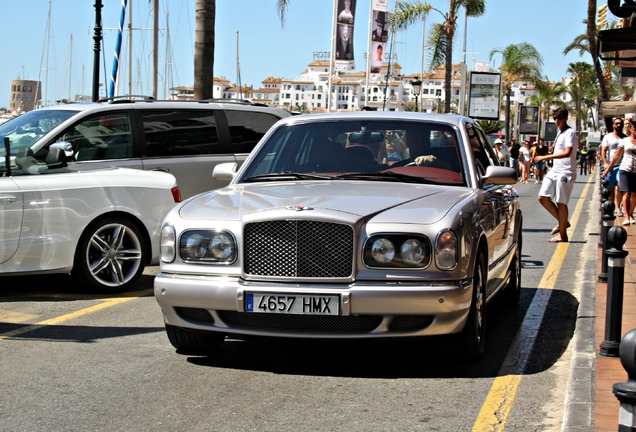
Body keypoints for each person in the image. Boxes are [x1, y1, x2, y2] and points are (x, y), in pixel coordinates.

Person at [533, 108, 577, 243]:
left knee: (561, 202)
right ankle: (563, 222)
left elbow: (567, 152)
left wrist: (545, 157)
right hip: (555, 170)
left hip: (565, 172)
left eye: (559, 118)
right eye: (555, 119)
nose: (557, 121)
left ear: (565, 118)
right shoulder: (560, 133)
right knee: (542, 197)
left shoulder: (570, 133)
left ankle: (563, 235)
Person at [603, 120, 636, 225]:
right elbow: (615, 156)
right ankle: (625, 215)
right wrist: (607, 168)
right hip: (623, 168)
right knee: (623, 191)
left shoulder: (626, 138)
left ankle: (629, 213)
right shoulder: (623, 140)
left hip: (634, 170)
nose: (635, 131)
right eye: (634, 129)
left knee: (632, 193)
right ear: (630, 129)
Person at [601, 117, 626, 216]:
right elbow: (603, 151)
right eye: (617, 123)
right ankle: (611, 206)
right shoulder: (608, 137)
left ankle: (618, 207)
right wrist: (606, 163)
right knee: (611, 189)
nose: (619, 125)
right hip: (610, 167)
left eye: (620, 123)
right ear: (613, 125)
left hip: (622, 166)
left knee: (620, 185)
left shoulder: (625, 138)